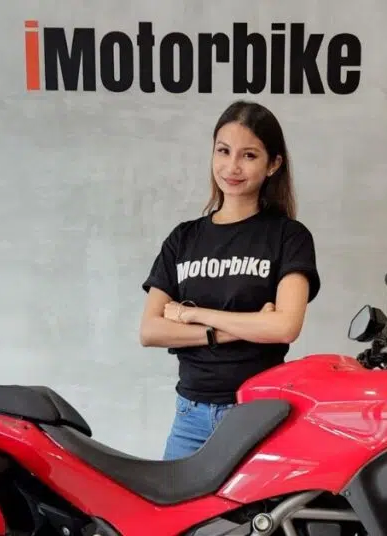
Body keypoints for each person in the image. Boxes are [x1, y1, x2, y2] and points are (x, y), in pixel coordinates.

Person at [138, 100, 320, 460]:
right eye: (223, 151)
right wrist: (235, 329)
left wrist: (192, 314)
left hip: (257, 414)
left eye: (249, 155)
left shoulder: (289, 237)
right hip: (190, 417)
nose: (232, 166)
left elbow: (284, 327)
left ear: (273, 165)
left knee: (258, 518)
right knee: (180, 517)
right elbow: (150, 331)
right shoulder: (183, 238)